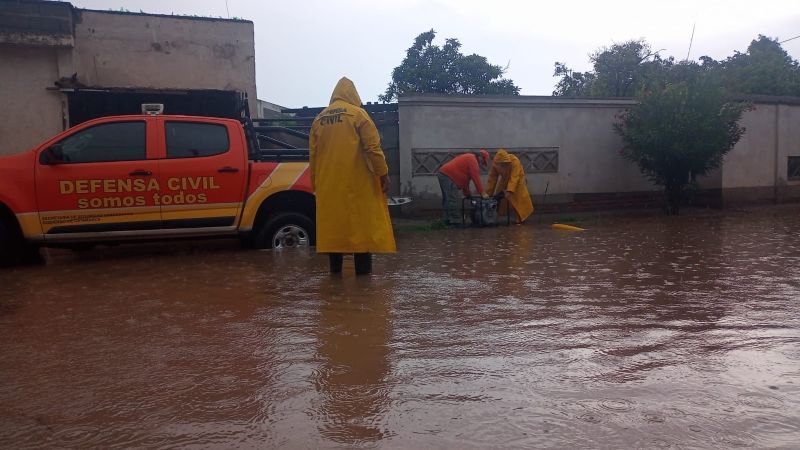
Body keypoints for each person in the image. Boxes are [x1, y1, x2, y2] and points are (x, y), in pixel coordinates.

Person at [309, 77, 396, 275]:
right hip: (357, 185)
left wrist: (315, 184)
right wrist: (383, 174)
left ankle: (335, 280)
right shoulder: (358, 115)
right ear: (353, 94)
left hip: (328, 186)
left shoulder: (319, 120)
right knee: (361, 232)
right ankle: (364, 286)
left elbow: (313, 156)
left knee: (334, 233)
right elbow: (373, 149)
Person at [437, 149, 490, 225]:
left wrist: (467, 194)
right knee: (453, 200)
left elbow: (466, 181)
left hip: (444, 174)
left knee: (447, 199)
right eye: (483, 161)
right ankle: (456, 222)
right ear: (480, 157)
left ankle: (447, 220)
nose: (481, 164)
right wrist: (482, 193)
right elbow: (476, 177)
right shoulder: (472, 160)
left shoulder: (469, 158)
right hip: (448, 176)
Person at [484, 149, 534, 224]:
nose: (500, 166)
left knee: (518, 198)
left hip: (518, 181)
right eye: (499, 164)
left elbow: (515, 177)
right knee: (499, 196)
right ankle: (496, 215)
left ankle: (520, 217)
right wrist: (488, 194)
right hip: (505, 180)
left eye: (503, 164)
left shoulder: (515, 161)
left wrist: (510, 190)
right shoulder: (495, 165)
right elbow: (492, 179)